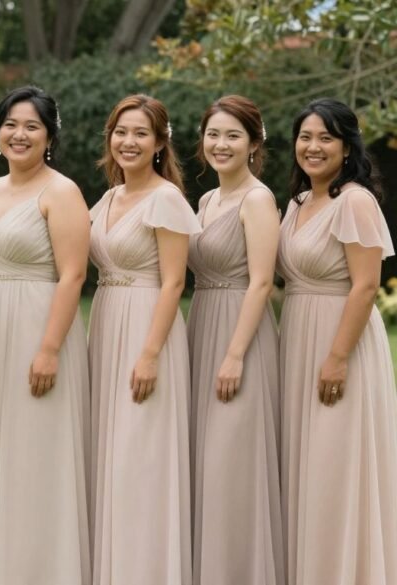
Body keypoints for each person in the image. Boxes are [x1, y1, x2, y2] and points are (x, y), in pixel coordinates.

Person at [0, 86, 91, 584]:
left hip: (38, 328)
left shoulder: (61, 192)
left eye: (32, 126)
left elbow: (73, 275)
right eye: (11, 125)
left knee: (33, 452)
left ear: (49, 137)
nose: (20, 134)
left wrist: (49, 350)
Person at [277, 98, 397, 585]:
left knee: (335, 465)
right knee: (304, 467)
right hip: (296, 340)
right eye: (305, 137)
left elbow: (366, 286)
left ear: (347, 147)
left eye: (325, 138)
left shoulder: (355, 201)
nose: (313, 146)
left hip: (339, 342)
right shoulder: (298, 203)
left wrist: (337, 358)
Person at [88, 94, 200, 585]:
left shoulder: (166, 199)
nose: (128, 142)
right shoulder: (109, 198)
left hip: (146, 328)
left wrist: (150, 354)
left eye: (140, 133)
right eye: (121, 132)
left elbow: (174, 283)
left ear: (159, 143)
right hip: (106, 321)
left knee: (141, 456)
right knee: (110, 454)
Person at [187, 95, 283, 585]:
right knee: (205, 462)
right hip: (202, 324)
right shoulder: (206, 201)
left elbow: (263, 282)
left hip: (240, 335)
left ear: (253, 143)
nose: (220, 144)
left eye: (232, 136)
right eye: (213, 134)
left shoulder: (258, 200)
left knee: (232, 463)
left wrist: (235, 355)